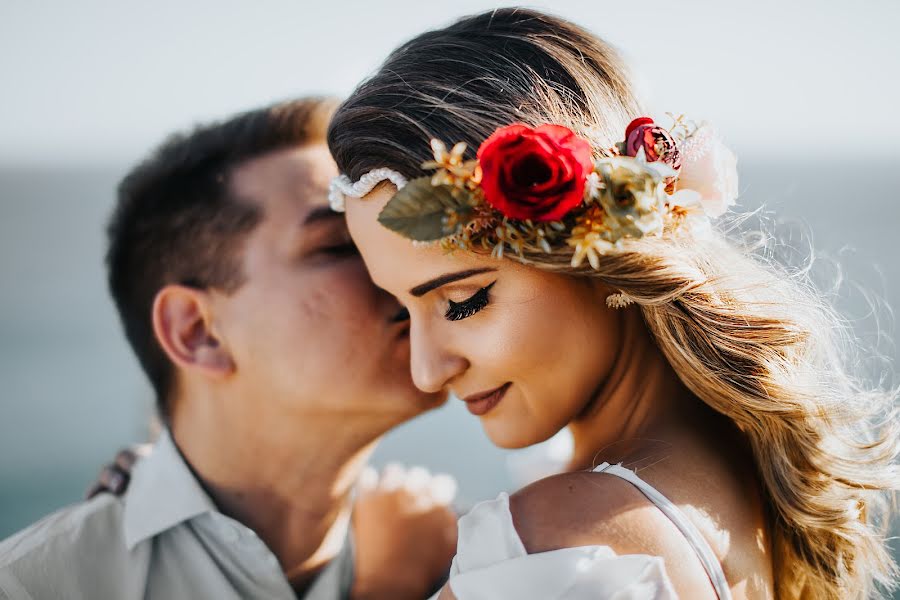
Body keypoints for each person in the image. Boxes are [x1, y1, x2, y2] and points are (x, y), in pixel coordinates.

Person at [326, 8, 900, 599]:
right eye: (401, 310)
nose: (427, 372)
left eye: (463, 301)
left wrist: (389, 581)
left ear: (597, 246)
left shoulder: (561, 543)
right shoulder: (742, 483)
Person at [0, 98, 457, 600]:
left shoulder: (471, 554)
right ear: (198, 331)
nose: (407, 268)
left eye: (397, 231)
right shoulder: (32, 585)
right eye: (341, 243)